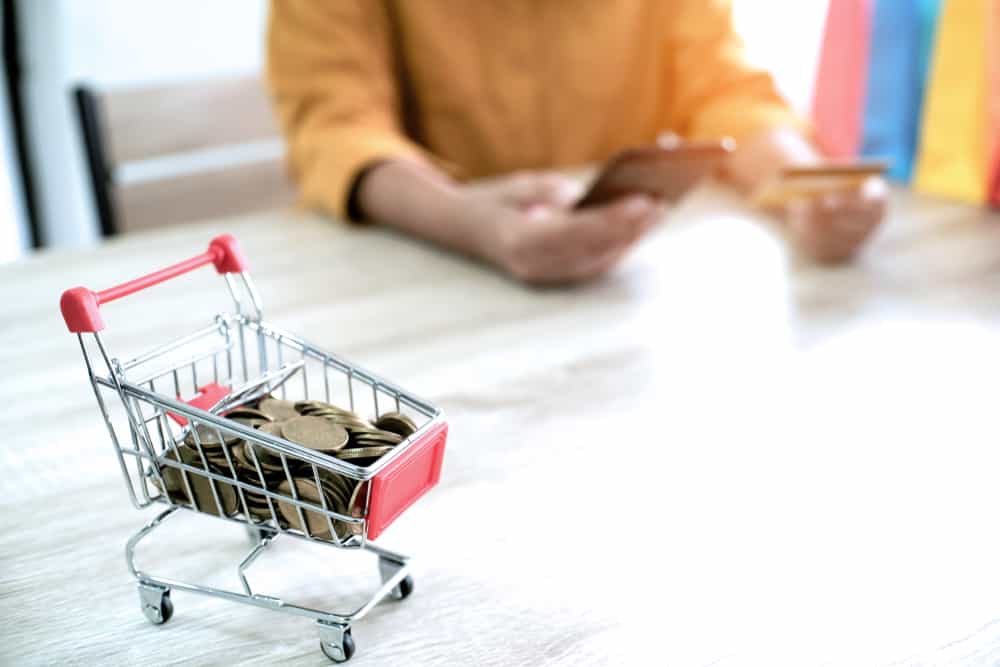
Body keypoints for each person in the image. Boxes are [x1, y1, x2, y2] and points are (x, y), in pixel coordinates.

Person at [267, 1, 888, 284]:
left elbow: (724, 91)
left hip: (615, 301)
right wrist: (468, 221)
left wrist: (806, 186)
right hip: (405, 294)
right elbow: (336, 126)